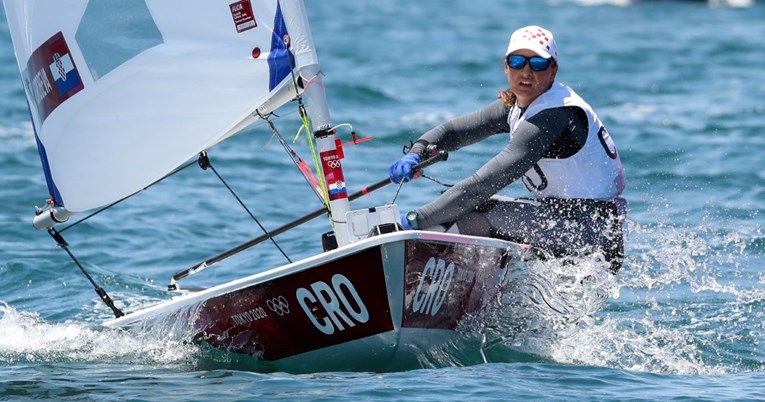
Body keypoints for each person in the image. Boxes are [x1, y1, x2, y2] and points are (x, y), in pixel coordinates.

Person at [389, 25, 627, 272]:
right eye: (517, 62)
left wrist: (415, 221)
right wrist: (416, 153)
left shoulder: (554, 115)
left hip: (594, 239)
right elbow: (452, 132)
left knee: (472, 212)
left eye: (537, 63)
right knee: (450, 206)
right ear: (506, 67)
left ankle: (430, 286)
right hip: (563, 223)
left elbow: (483, 184)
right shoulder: (519, 104)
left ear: (553, 70)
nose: (526, 71)